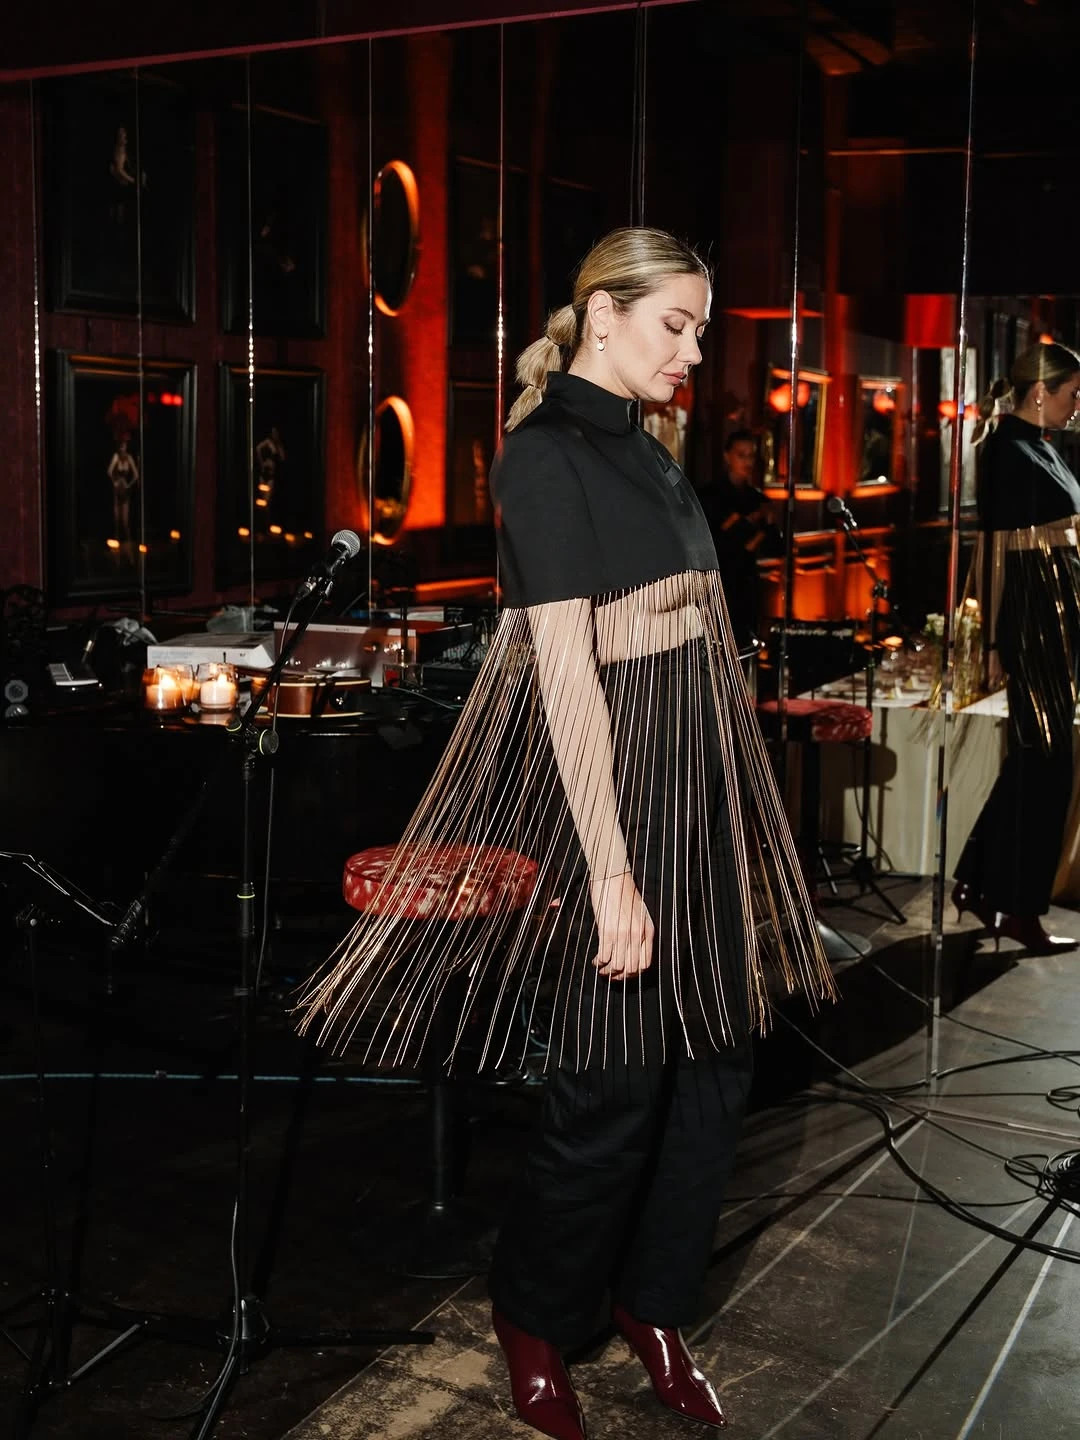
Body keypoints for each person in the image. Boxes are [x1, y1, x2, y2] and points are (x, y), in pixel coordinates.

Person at [296, 228, 833, 1440]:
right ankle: (536, 1317)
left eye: (699, 330)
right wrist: (612, 874)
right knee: (613, 1080)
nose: (692, 353)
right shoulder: (543, 455)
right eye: (674, 326)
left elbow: (696, 636)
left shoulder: (653, 449)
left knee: (718, 1069)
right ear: (602, 313)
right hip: (616, 781)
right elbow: (570, 683)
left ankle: (654, 1305)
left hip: (698, 772)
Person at [952, 341, 1080, 955]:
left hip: (1060, 621)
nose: (1077, 405)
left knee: (1038, 761)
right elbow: (994, 552)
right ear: (1040, 392)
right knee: (1048, 762)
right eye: (1072, 393)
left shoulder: (1045, 447)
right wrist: (994, 642)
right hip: (1033, 625)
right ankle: (1017, 907)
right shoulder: (1005, 449)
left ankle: (982, 885)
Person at [697, 428, 783, 649]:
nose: (747, 461)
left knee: (746, 644)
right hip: (718, 583)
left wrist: (761, 525)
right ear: (727, 456)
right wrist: (750, 525)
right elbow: (718, 541)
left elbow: (775, 546)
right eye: (741, 455)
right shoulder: (711, 496)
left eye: (751, 455)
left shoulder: (758, 499)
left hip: (747, 583)